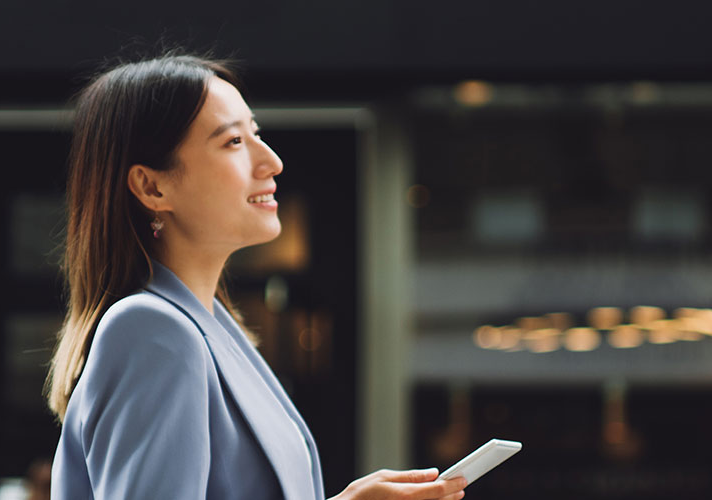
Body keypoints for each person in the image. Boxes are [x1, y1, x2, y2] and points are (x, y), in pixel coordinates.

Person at [45, 54, 468, 500]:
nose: (272, 161)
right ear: (153, 187)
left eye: (256, 134)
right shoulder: (154, 332)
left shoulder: (212, 329)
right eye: (232, 142)